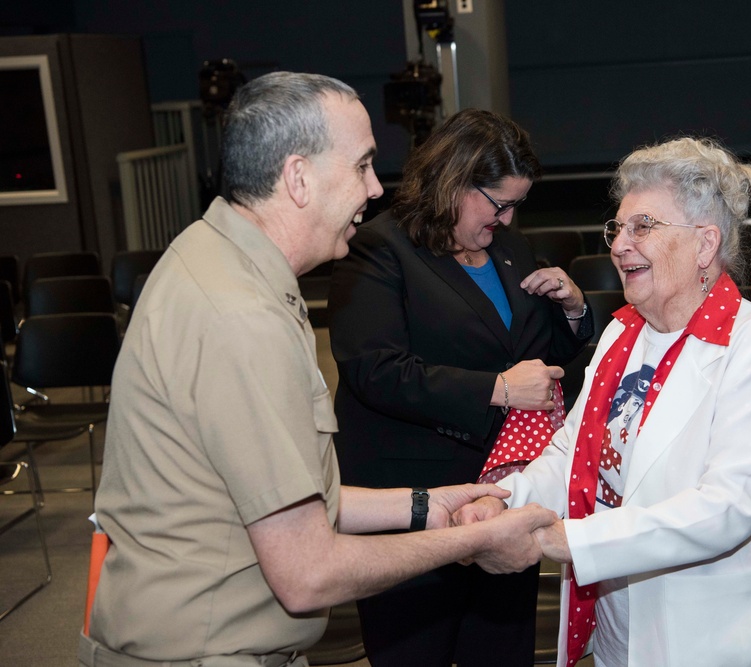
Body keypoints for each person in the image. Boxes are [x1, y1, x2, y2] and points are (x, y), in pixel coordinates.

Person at [80, 72, 557, 667]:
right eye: (360, 165)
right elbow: (307, 573)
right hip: (207, 650)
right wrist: (474, 539)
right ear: (298, 178)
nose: (375, 190)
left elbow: (289, 495)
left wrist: (426, 504)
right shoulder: (239, 318)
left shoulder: (217, 265)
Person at [457, 136, 751, 666]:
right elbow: (572, 453)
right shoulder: (623, 335)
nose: (619, 245)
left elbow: (728, 506)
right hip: (622, 625)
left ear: (705, 244)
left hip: (717, 631)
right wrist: (504, 499)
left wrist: (567, 540)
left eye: (642, 227)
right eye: (617, 228)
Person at [327, 108, 594, 666]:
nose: (508, 217)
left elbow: (535, 359)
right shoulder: (378, 250)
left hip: (498, 493)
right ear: (453, 180)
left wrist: (572, 311)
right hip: (409, 500)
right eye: (498, 203)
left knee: (501, 651)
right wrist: (496, 389)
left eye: (517, 204)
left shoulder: (508, 247)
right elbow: (373, 370)